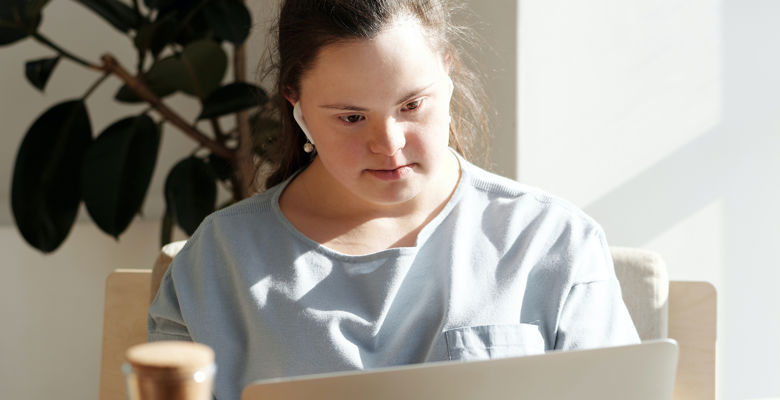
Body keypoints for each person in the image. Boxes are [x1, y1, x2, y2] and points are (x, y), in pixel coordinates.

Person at [148, 1, 640, 399]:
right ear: (295, 103)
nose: (389, 143)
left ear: (447, 74)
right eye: (350, 117)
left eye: (411, 106)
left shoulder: (550, 240)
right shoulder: (221, 259)